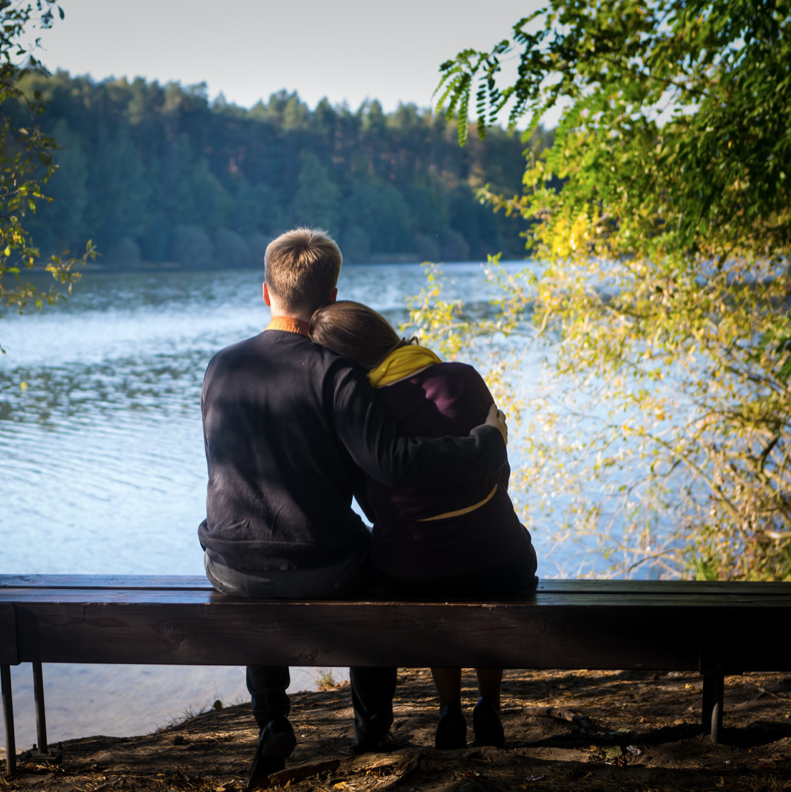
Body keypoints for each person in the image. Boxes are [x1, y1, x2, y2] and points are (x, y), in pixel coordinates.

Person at [199, 229, 510, 787]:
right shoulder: (336, 373)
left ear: (265, 292)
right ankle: (371, 729)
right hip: (321, 566)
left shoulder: (221, 367)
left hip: (228, 566)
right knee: (377, 566)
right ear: (332, 295)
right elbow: (395, 463)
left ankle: (272, 716)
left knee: (253, 566)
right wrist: (484, 444)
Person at [308, 300, 538, 751]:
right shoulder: (461, 377)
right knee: (485, 554)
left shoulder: (361, 412)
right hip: (500, 560)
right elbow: (500, 470)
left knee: (431, 568)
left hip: (409, 569)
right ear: (382, 331)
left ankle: (449, 708)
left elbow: (370, 504)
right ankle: (488, 703)